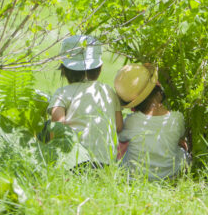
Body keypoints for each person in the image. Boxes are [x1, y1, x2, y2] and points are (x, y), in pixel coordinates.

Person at [47, 35, 123, 168]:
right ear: (99, 68)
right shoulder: (108, 91)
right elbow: (118, 126)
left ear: (64, 70)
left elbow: (57, 128)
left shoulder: (63, 93)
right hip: (105, 162)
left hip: (74, 162)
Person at [114, 64, 190, 180]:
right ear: (159, 93)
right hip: (170, 175)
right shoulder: (177, 119)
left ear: (133, 104)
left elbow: (120, 138)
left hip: (137, 176)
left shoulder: (131, 122)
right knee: (185, 154)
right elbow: (179, 139)